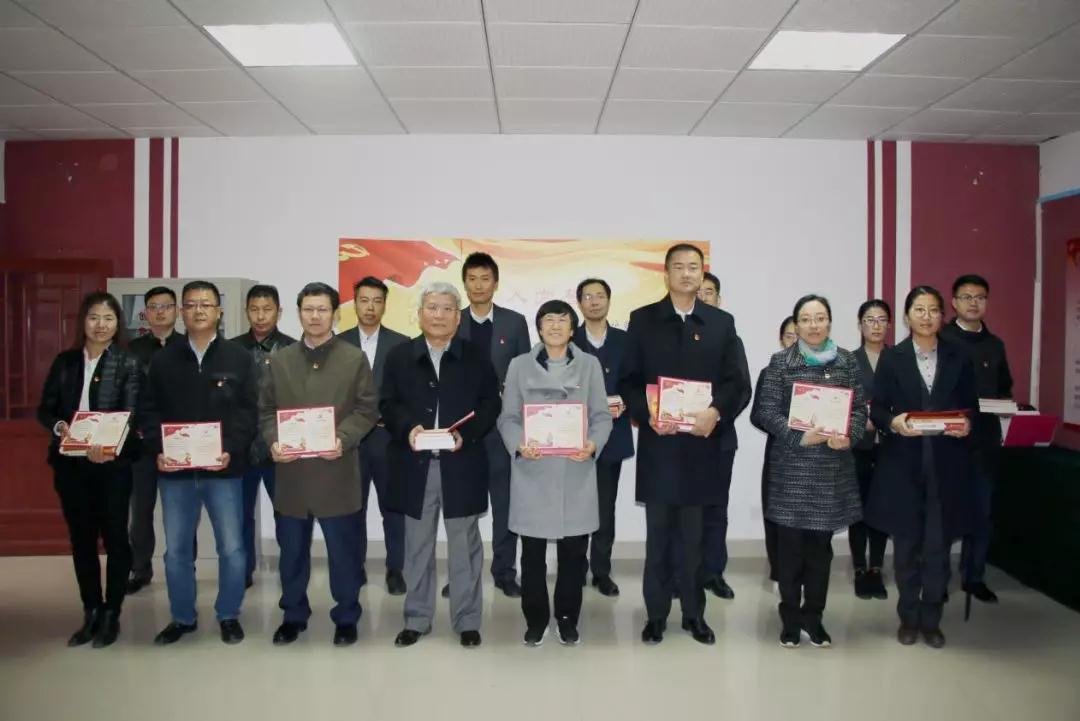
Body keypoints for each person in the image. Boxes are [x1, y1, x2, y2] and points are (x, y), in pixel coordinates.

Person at [618, 243, 751, 646]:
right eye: (679, 267)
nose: (687, 273)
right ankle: (656, 615)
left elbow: (738, 382)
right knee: (658, 538)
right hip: (660, 448)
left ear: (701, 273)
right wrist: (647, 414)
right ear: (667, 273)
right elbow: (627, 380)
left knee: (694, 540)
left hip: (701, 448)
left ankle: (694, 615)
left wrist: (716, 412)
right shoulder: (643, 320)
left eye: (694, 267)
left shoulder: (721, 323)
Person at [382, 282, 501, 649]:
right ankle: (417, 618)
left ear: (457, 317)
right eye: (432, 308)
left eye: (447, 308)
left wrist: (469, 433)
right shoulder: (400, 356)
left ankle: (467, 620)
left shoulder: (475, 356)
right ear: (420, 314)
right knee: (417, 547)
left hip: (461, 464)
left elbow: (490, 404)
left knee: (465, 547)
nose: (439, 315)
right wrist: (408, 428)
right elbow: (387, 403)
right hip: (415, 465)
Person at [260, 282, 379, 647]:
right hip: (292, 475)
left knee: (344, 554)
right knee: (292, 553)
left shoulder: (353, 359)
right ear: (299, 314)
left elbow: (367, 410)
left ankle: (346, 616)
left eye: (322, 309)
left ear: (335, 314)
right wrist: (273, 441)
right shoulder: (279, 360)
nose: (315, 316)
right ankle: (293, 615)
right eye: (308, 309)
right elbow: (266, 411)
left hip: (337, 471)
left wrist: (342, 438)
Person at [140, 280, 258, 646]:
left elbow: (248, 411)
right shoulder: (163, 360)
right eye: (191, 305)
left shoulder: (238, 357)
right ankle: (182, 617)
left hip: (224, 469)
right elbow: (148, 410)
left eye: (206, 304)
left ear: (219, 311)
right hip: (175, 472)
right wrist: (158, 448)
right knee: (176, 550)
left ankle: (228, 614)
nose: (199, 310)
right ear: (181, 312)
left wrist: (232, 449)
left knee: (232, 548)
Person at [751, 294, 866, 648]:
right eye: (806, 319)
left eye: (820, 318)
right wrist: (799, 436)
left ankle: (814, 617)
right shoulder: (781, 362)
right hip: (791, 471)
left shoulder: (847, 361)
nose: (813, 325)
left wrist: (849, 436)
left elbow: (859, 410)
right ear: (796, 324)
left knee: (820, 552)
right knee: (789, 554)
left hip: (831, 471)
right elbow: (766, 411)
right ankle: (790, 619)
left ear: (829, 322)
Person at [865, 286, 977, 649]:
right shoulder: (893, 358)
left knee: (938, 551)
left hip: (947, 467)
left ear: (942, 316)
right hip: (904, 467)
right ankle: (908, 618)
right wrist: (892, 422)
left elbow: (971, 407)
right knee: (907, 549)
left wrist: (967, 424)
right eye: (919, 310)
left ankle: (932, 620)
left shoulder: (959, 357)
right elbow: (876, 407)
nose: (926, 317)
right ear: (907, 316)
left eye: (933, 310)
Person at [499, 300, 612, 646]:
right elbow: (508, 417)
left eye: (563, 321)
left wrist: (592, 444)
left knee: (574, 555)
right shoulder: (519, 365)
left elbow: (601, 416)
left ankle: (567, 619)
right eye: (548, 320)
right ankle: (535, 620)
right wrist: (519, 444)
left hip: (575, 471)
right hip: (533, 471)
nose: (555, 326)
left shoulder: (590, 365)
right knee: (532, 554)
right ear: (539, 327)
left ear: (572, 328)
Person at [37, 291, 141, 648]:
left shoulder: (127, 363)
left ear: (117, 324)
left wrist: (108, 446)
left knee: (115, 538)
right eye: (94, 317)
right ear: (83, 321)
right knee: (81, 539)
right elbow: (45, 408)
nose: (101, 325)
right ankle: (91, 610)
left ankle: (112, 613)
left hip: (112, 464)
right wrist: (59, 427)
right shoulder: (65, 362)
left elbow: (130, 415)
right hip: (71, 465)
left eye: (108, 318)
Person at [452, 252, 531, 599]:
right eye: (472, 279)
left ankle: (504, 572)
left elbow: (526, 372)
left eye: (485, 279)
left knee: (504, 503)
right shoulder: (452, 321)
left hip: (502, 429)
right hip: (463, 428)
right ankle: (461, 573)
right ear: (464, 283)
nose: (479, 285)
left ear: (495, 283)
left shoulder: (514, 323)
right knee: (462, 506)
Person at [940, 273, 1012, 604]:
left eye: (980, 297)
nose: (973, 303)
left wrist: (1005, 405)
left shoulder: (995, 345)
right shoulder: (942, 340)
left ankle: (974, 576)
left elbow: (1004, 388)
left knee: (981, 514)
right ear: (954, 303)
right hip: (948, 442)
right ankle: (938, 579)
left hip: (984, 443)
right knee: (944, 514)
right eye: (966, 297)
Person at [340, 276, 409, 595]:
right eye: (364, 300)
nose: (370, 307)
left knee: (393, 509)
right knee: (352, 508)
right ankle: (355, 567)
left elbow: (407, 394)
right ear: (355, 303)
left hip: (387, 439)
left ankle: (396, 569)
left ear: (384, 305)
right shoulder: (338, 344)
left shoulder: (402, 344)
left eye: (377, 301)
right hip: (350, 441)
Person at [230, 284, 296, 589]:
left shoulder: (293, 349)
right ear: (246, 312)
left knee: (287, 516)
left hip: (279, 449)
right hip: (240, 448)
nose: (260, 316)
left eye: (267, 309)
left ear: (278, 312)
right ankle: (242, 572)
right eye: (254, 310)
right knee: (239, 516)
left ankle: (291, 572)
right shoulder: (231, 350)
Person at [573, 278, 634, 597]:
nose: (594, 301)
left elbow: (637, 381)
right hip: (574, 437)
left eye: (600, 296)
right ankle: (575, 568)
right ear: (579, 303)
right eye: (588, 297)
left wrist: (625, 400)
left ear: (609, 301)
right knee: (576, 506)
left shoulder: (626, 340)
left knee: (604, 508)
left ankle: (601, 570)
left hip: (612, 435)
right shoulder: (569, 340)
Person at [693, 270, 752, 599]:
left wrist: (716, 414)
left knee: (716, 509)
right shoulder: (674, 336)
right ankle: (682, 574)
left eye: (709, 292)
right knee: (681, 511)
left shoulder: (730, 338)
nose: (703, 297)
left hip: (719, 438)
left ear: (719, 299)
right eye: (698, 292)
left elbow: (742, 388)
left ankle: (713, 572)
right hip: (680, 438)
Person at [126, 285, 184, 594]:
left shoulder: (188, 347)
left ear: (177, 311)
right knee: (141, 510)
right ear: (145, 313)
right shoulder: (131, 350)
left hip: (180, 442)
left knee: (182, 510)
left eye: (166, 306)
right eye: (154, 307)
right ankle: (140, 569)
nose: (160, 312)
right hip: (142, 443)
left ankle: (184, 566)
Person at [751, 316, 798, 588]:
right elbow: (758, 415)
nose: (794, 341)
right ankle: (779, 571)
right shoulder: (770, 372)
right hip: (779, 452)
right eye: (789, 336)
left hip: (814, 456)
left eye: (798, 335)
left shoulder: (823, 372)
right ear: (781, 340)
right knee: (776, 514)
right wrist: (785, 427)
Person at [850, 300, 891, 600]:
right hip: (857, 446)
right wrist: (859, 421)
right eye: (869, 319)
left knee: (882, 507)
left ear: (889, 324)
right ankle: (859, 568)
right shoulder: (849, 361)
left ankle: (876, 567)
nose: (875, 325)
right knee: (858, 508)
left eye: (881, 319)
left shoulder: (898, 359)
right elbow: (841, 401)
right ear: (860, 324)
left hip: (891, 446)